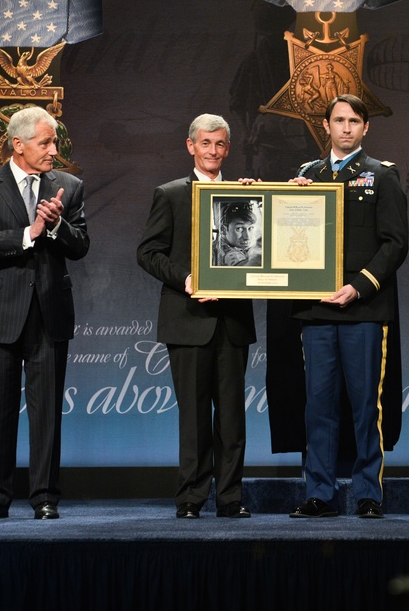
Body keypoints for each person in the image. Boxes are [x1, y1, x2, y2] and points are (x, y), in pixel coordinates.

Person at [0, 106, 89, 520]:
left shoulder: (68, 187)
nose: (54, 149)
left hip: (49, 313)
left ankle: (45, 497)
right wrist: (28, 233)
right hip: (0, 313)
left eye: (53, 142)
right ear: (18, 145)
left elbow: (81, 245)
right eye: (45, 142)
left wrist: (56, 226)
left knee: (47, 413)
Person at [288, 93, 408, 519]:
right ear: (325, 126)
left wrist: (359, 287)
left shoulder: (382, 176)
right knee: (317, 406)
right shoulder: (307, 175)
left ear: (365, 128)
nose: (345, 127)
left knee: (364, 408)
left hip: (364, 309)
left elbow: (395, 244)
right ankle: (318, 493)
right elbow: (289, 240)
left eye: (354, 121)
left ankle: (367, 495)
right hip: (316, 310)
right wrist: (284, 201)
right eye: (338, 120)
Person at [137, 113, 257, 519]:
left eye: (221, 144)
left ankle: (230, 499)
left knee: (232, 420)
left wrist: (264, 204)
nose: (213, 151)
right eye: (206, 143)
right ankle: (190, 499)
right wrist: (187, 278)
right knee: (193, 419)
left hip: (233, 323)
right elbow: (148, 253)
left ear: (228, 148)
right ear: (191, 146)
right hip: (187, 320)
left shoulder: (245, 196)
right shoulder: (170, 194)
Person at [212, 200, 262, 267]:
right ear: (223, 229)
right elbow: (244, 266)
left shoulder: (220, 243)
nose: (247, 237)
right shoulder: (227, 251)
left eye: (250, 228)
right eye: (239, 229)